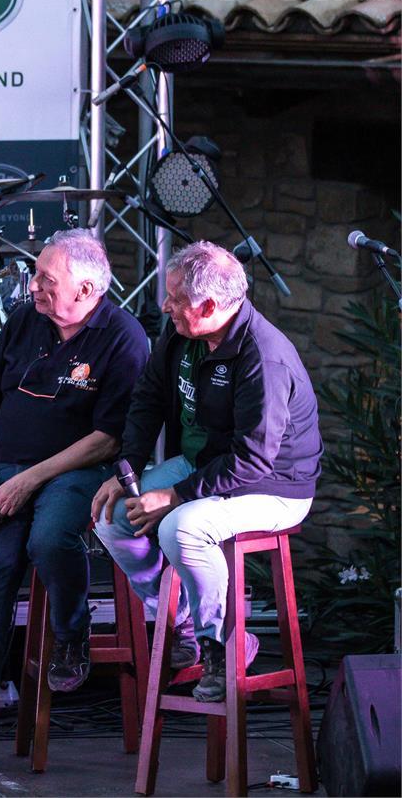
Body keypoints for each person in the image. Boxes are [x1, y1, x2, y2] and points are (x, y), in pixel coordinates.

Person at [0, 228, 149, 782]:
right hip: (7, 472)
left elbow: (110, 439)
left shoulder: (124, 337)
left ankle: (70, 633)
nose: (35, 285)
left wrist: (29, 481)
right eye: (36, 274)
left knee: (49, 538)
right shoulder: (24, 318)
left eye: (48, 278)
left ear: (87, 289)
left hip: (79, 472)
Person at [92, 240, 321, 703]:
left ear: (210, 305)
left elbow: (254, 458)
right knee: (112, 518)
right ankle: (183, 626)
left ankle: (223, 647)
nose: (165, 306)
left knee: (182, 528)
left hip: (274, 484)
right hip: (206, 466)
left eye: (175, 299)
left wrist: (175, 495)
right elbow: (149, 396)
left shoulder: (264, 357)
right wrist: (129, 469)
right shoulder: (181, 335)